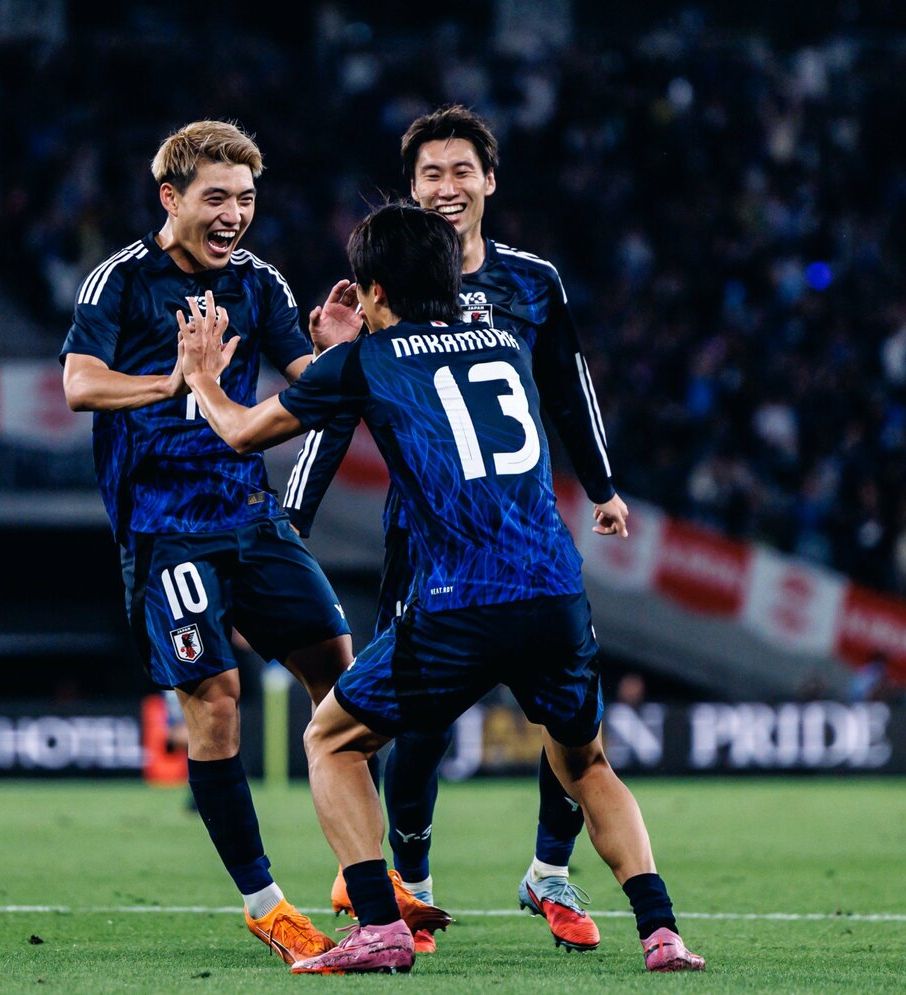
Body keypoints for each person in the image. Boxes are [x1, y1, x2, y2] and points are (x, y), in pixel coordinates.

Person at [179, 202, 705, 974]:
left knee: (331, 738)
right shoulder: (503, 341)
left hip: (462, 600)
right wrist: (341, 354)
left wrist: (202, 375)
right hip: (557, 594)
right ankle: (661, 933)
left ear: (373, 290)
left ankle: (381, 924)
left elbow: (240, 430)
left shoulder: (368, 359)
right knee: (588, 764)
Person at [59, 121, 442, 970]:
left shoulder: (259, 281)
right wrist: (175, 380)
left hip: (250, 515)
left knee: (345, 688)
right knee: (218, 698)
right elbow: (79, 382)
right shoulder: (120, 283)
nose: (234, 214)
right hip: (166, 528)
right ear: (171, 198)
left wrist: (349, 353)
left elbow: (307, 380)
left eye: (246, 198)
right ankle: (265, 903)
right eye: (216, 198)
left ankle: (361, 884)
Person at [282, 105, 607, 952]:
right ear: (413, 189)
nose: (448, 187)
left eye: (462, 171)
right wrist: (294, 515)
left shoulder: (532, 282)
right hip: (424, 540)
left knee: (569, 713)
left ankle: (550, 868)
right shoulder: (382, 288)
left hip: (526, 536)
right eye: (431, 174)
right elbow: (336, 405)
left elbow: (568, 386)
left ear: (489, 181)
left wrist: (602, 484)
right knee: (413, 719)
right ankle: (411, 882)